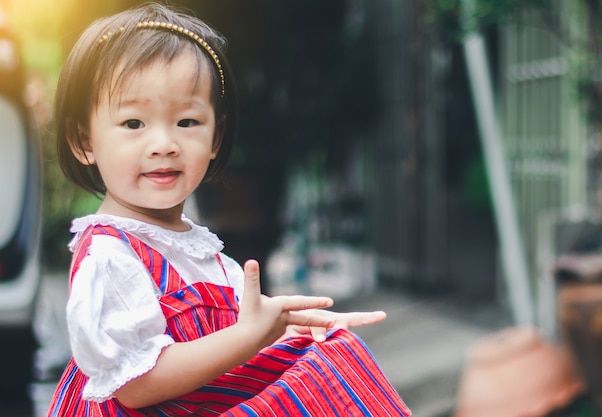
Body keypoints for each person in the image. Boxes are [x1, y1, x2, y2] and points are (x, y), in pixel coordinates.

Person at [46, 3, 411, 416]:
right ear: (84, 141)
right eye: (134, 124)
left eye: (187, 122)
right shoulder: (111, 258)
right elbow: (136, 385)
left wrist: (286, 326)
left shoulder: (195, 248)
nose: (164, 143)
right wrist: (249, 336)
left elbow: (229, 337)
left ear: (215, 138)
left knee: (331, 361)